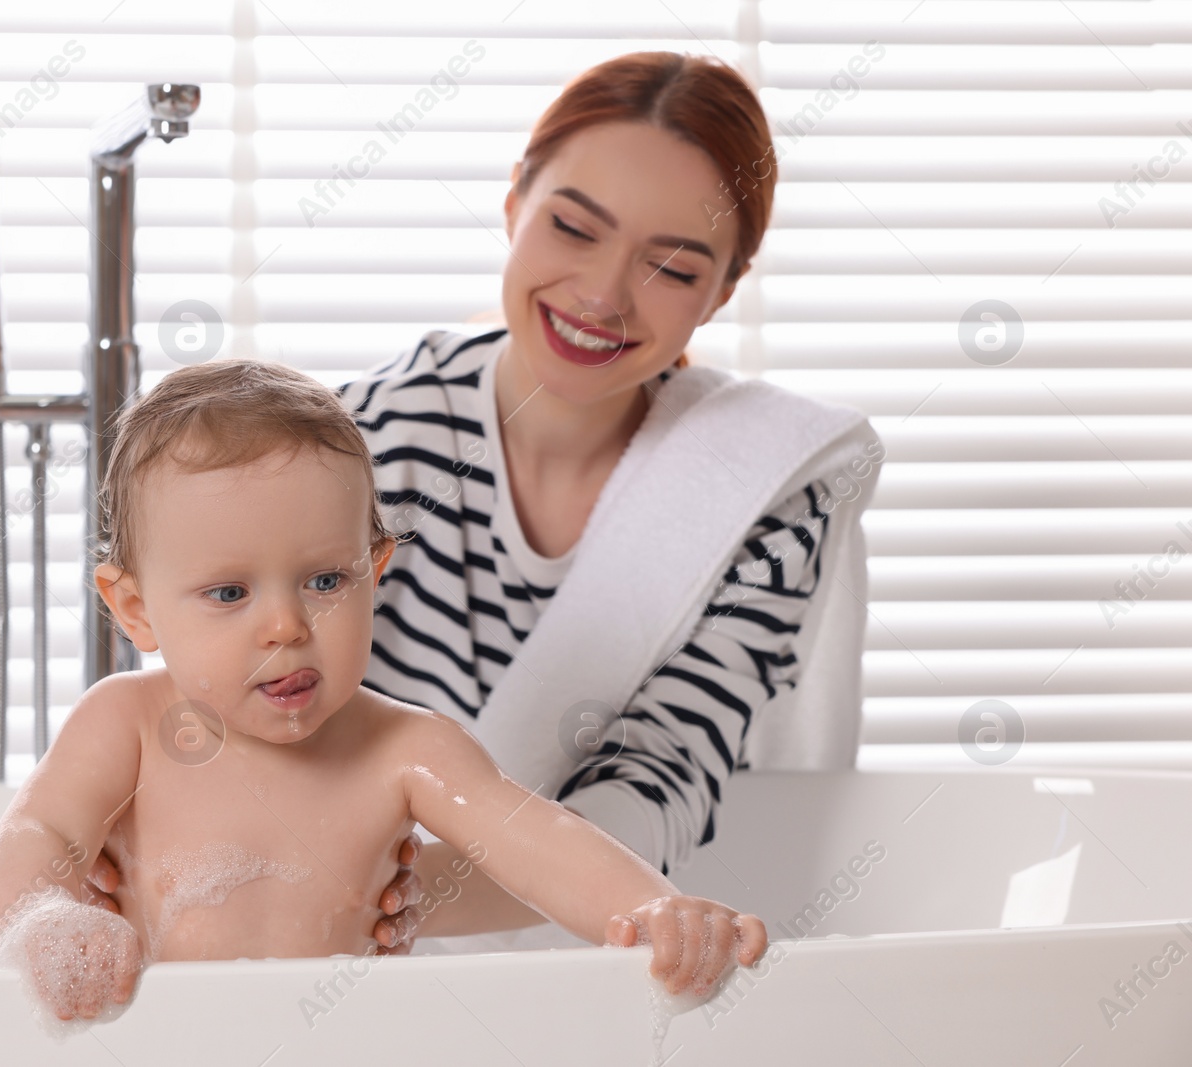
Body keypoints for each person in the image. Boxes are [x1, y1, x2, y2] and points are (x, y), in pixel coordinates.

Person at [82, 50, 880, 955]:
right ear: (515, 201)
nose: (603, 295)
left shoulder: (762, 488)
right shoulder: (367, 447)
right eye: (575, 228)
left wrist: (389, 891)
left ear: (725, 290)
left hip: (578, 945)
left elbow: (664, 771)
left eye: (671, 266)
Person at [0, 358, 770, 1023]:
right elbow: (39, 835)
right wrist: (50, 919)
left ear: (375, 571)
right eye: (229, 594)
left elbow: (538, 840)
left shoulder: (406, 748)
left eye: (326, 578)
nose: (286, 625)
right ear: (136, 609)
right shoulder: (126, 726)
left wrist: (658, 907)